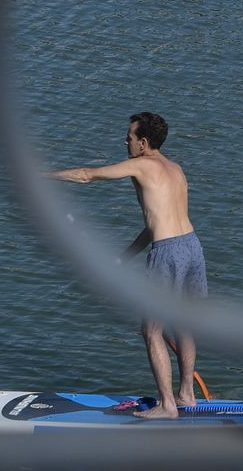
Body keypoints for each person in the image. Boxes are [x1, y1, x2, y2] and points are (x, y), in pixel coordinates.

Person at [48, 111, 207, 419]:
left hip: (169, 252)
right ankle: (187, 394)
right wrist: (126, 255)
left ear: (143, 142)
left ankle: (168, 406)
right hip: (192, 247)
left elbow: (87, 175)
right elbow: (157, 224)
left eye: (130, 137)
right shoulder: (175, 169)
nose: (126, 141)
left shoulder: (141, 165)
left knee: (151, 330)